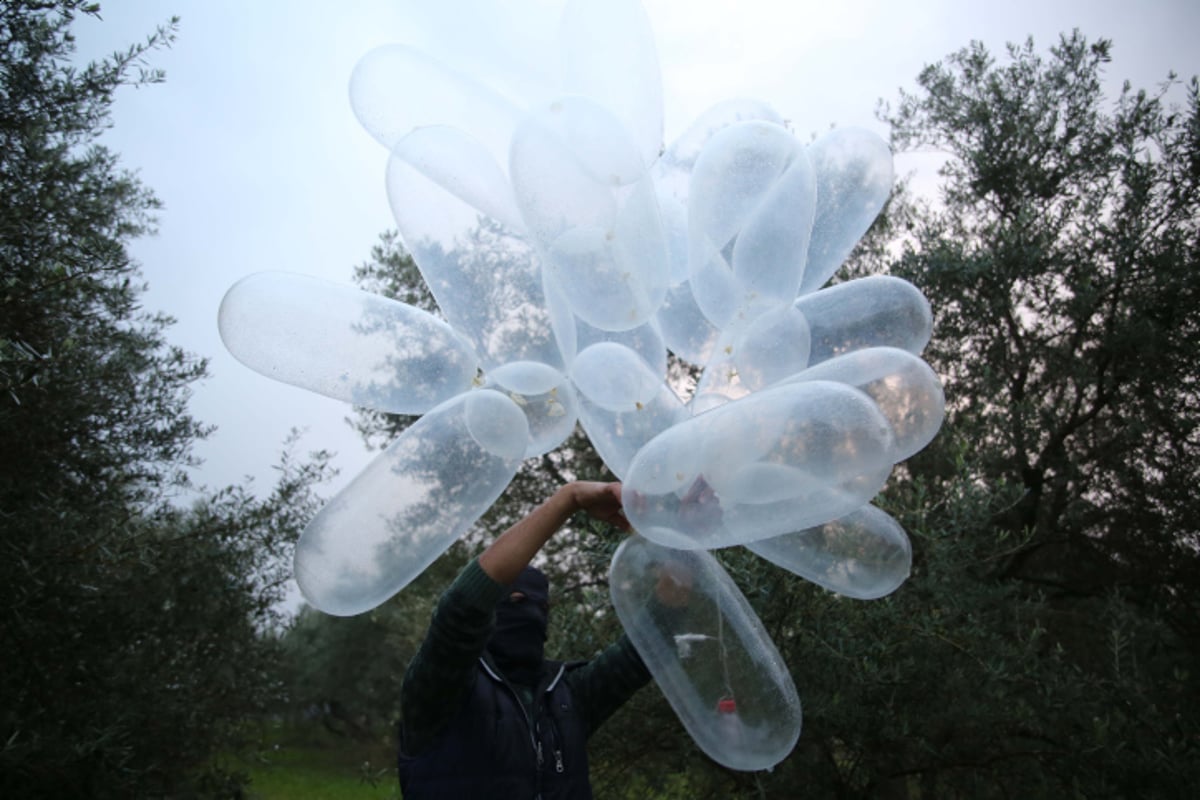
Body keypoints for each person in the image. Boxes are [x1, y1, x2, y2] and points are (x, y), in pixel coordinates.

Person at [397, 480, 653, 799]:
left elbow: (647, 646)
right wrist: (568, 499)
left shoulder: (566, 697)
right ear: (493, 608)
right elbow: (461, 611)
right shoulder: (441, 691)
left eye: (543, 607)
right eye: (517, 601)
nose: (533, 615)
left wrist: (675, 530)